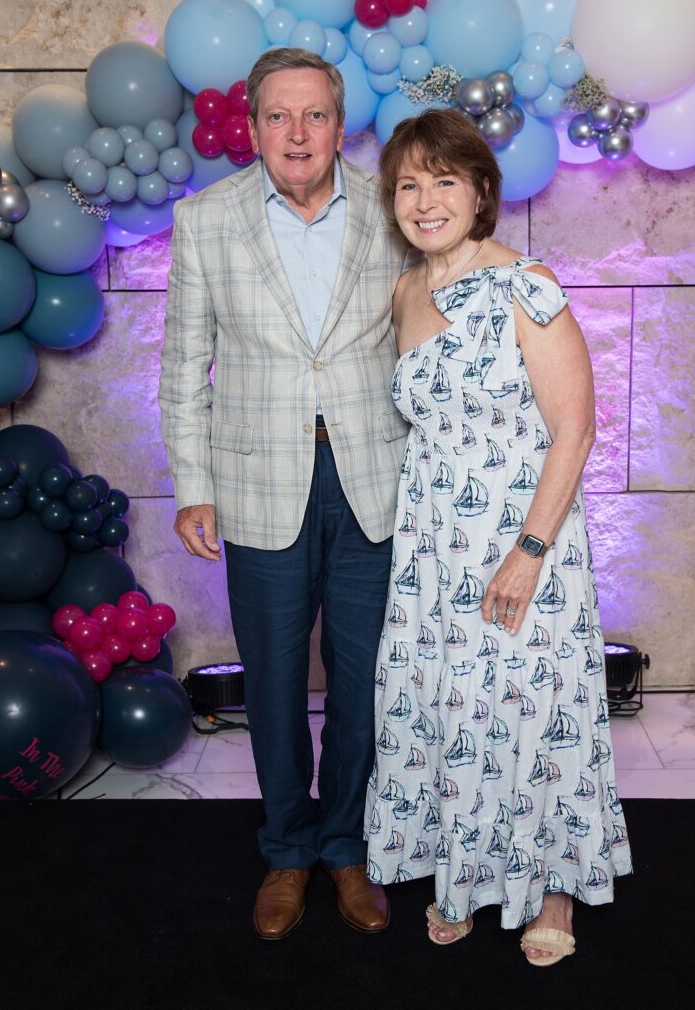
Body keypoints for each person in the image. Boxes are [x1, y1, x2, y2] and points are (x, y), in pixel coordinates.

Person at [365, 108, 632, 965]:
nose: (425, 201)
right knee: (454, 707)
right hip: (432, 546)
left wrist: (529, 552)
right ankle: (468, 872)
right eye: (409, 185)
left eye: (445, 181)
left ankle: (554, 889)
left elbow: (575, 430)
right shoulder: (405, 292)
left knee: (534, 705)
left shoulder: (527, 285)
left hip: (522, 535)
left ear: (481, 192)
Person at [159, 49, 409, 939]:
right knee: (270, 681)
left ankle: (346, 844)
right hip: (257, 480)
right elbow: (184, 364)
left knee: (364, 681)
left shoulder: (392, 206)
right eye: (278, 116)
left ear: (340, 127)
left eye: (314, 116)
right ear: (253, 125)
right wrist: (193, 486)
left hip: (374, 478)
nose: (297, 134)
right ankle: (287, 850)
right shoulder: (206, 219)